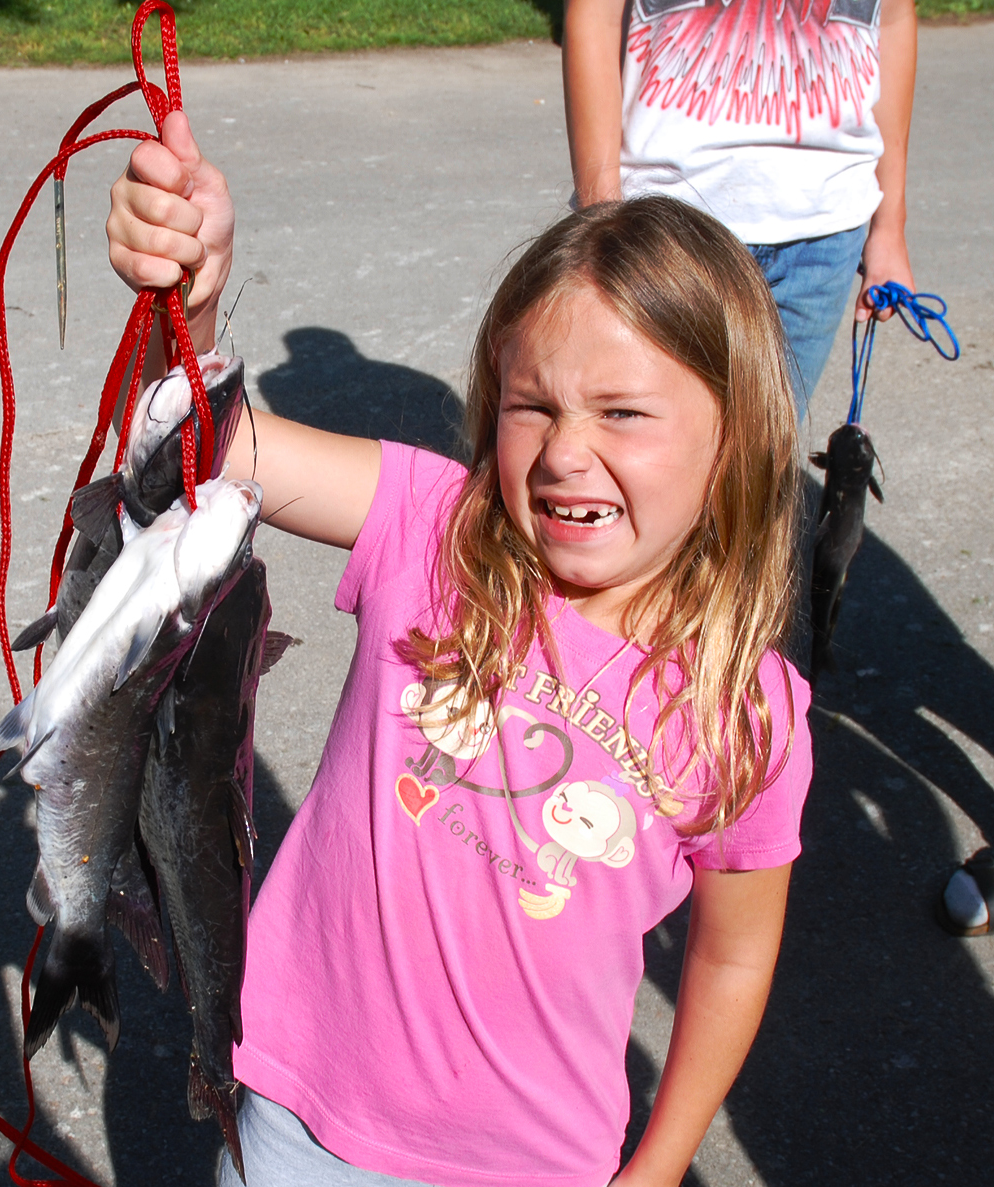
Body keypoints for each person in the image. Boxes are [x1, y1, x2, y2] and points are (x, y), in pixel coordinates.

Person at [106, 111, 813, 1187]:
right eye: (534, 404)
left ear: (740, 438)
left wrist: (662, 1162)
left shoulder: (747, 708)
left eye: (623, 411)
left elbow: (734, 949)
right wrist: (190, 297)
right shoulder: (431, 526)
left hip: (535, 1162)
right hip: (300, 1112)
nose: (567, 451)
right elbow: (198, 440)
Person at [561, 0, 918, 420]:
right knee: (659, 450)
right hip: (668, 225)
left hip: (825, 231)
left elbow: (892, 19)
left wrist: (890, 229)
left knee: (765, 450)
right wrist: (602, 220)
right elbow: (594, 15)